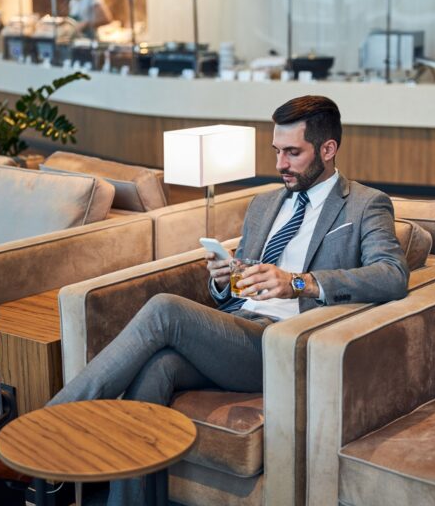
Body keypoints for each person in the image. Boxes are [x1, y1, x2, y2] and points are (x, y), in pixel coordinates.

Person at [45, 94, 409, 505]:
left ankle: (50, 429)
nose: (280, 164)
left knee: (165, 308)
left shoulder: (365, 205)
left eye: (293, 152)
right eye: (276, 151)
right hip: (239, 331)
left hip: (285, 344)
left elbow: (392, 276)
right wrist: (224, 279)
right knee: (157, 369)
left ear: (328, 149)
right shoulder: (265, 203)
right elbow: (234, 295)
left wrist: (300, 283)